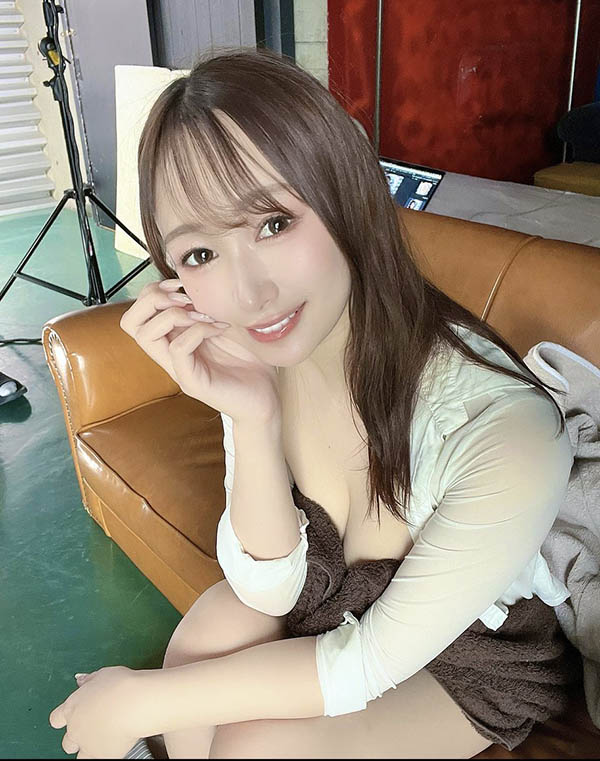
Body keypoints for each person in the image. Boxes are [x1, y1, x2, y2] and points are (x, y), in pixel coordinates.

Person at [48, 47, 581, 759]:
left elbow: (370, 660)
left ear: (346, 191)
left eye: (273, 223)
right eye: (200, 255)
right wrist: (251, 414)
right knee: (200, 642)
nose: (250, 294)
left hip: (461, 653)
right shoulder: (261, 351)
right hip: (326, 593)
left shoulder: (503, 430)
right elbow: (270, 591)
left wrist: (139, 698)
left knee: (253, 746)